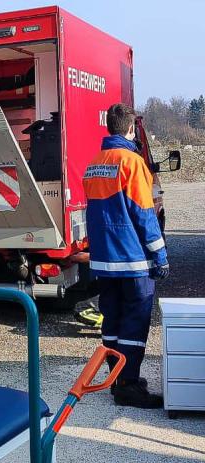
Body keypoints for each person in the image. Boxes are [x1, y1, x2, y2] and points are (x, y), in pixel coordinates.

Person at [83, 103, 169, 409]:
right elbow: (145, 215)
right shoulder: (133, 163)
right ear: (131, 129)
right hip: (132, 261)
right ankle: (128, 385)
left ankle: (116, 379)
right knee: (135, 322)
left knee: (113, 322)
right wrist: (160, 256)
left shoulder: (94, 164)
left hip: (104, 262)